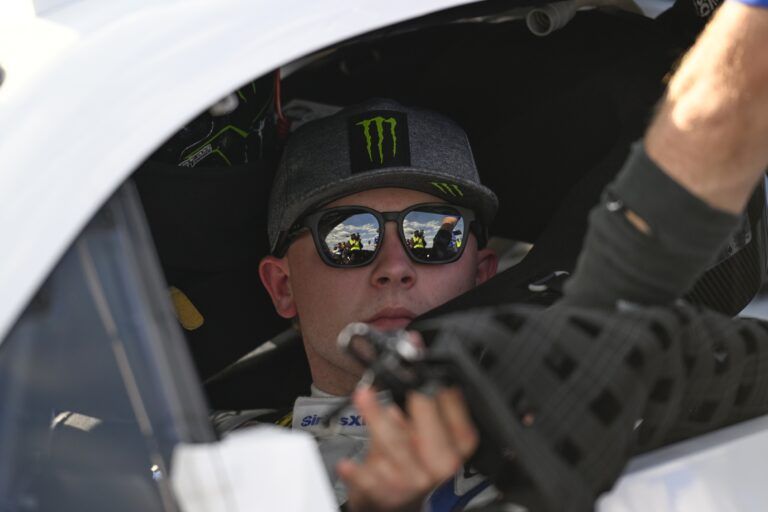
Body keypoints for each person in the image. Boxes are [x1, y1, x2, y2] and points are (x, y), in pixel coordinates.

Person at [257, 98, 499, 511]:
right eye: (349, 238)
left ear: (481, 277)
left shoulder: (568, 449)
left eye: (433, 234)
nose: (394, 268)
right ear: (283, 286)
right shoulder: (209, 464)